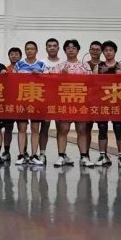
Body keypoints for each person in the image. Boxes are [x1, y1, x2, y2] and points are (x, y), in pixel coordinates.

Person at [50, 39, 94, 168]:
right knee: (63, 129)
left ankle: (84, 156)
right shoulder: (59, 66)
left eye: (74, 48)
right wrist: (61, 76)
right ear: (64, 50)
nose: (71, 50)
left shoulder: (85, 66)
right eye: (68, 48)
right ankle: (61, 156)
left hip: (80, 103)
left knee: (82, 130)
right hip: (65, 102)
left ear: (78, 50)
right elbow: (51, 84)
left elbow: (90, 83)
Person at [95, 40, 121, 168]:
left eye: (111, 50)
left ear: (115, 52)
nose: (108, 52)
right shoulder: (98, 67)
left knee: (118, 129)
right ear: (103, 52)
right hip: (102, 103)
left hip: (117, 102)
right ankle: (102, 156)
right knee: (102, 129)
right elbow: (94, 86)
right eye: (106, 50)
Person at [13, 41, 46, 166]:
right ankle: (21, 155)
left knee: (35, 129)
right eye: (27, 49)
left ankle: (34, 155)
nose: (30, 51)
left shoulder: (42, 65)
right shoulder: (19, 64)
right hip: (22, 100)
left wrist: (40, 75)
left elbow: (48, 81)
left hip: (37, 100)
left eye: (32, 48)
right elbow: (13, 81)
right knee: (22, 128)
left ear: (36, 50)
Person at [39, 38, 62, 164]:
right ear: (46, 48)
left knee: (61, 128)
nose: (52, 48)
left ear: (58, 48)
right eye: (49, 46)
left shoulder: (64, 63)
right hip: (45, 99)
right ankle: (42, 154)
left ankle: (61, 155)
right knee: (44, 127)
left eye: (54, 46)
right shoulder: (41, 63)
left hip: (60, 99)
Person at [3, 47, 23, 157]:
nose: (14, 56)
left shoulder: (25, 69)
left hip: (21, 103)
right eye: (11, 54)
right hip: (9, 103)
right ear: (9, 56)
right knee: (8, 128)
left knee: (22, 128)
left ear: (20, 56)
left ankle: (23, 152)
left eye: (16, 54)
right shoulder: (5, 70)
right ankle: (6, 151)